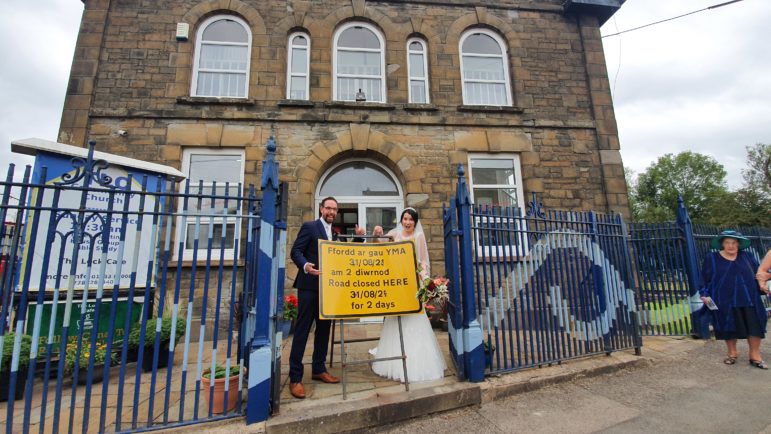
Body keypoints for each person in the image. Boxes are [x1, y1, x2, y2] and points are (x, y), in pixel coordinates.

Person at [288, 196, 365, 398]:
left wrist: (358, 238)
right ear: (321, 209)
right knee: (302, 331)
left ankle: (318, 369)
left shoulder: (336, 235)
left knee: (323, 330)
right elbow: (295, 251)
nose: (331, 212)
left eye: (334, 209)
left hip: (328, 291)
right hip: (308, 287)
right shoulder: (310, 227)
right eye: (328, 208)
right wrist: (305, 265)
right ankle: (295, 378)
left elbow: (346, 255)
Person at [369, 207, 446, 382]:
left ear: (415, 221)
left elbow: (424, 260)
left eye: (411, 219)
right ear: (401, 220)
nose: (407, 222)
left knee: (414, 317)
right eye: (405, 219)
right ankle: (394, 356)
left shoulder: (418, 236)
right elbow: (379, 245)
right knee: (396, 318)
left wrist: (425, 279)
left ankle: (416, 360)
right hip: (398, 283)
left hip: (413, 283)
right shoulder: (395, 234)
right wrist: (376, 232)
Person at [700, 230, 770, 369]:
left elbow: (759, 273)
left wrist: (763, 284)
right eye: (727, 243)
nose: (730, 246)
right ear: (722, 244)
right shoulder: (712, 258)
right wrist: (704, 293)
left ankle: (754, 355)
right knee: (728, 327)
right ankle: (732, 353)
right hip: (724, 299)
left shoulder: (747, 256)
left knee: (754, 326)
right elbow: (704, 279)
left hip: (749, 298)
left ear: (738, 244)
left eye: (733, 243)